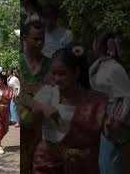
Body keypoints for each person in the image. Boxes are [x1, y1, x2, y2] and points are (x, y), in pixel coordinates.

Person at [23, 44, 108, 174]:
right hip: (47, 164)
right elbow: (33, 118)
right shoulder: (48, 94)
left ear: (76, 72)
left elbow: (111, 131)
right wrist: (42, 109)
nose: (57, 78)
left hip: (83, 166)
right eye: (54, 73)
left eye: (62, 74)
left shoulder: (96, 101)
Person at [90, 32, 130, 174]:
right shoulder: (100, 66)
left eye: (96, 42)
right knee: (104, 163)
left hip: (113, 122)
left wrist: (119, 121)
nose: (93, 45)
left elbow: (127, 96)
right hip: (103, 120)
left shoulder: (115, 68)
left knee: (111, 164)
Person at [20, 19, 51, 174]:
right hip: (21, 127)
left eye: (42, 39)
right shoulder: (17, 61)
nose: (39, 43)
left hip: (43, 128)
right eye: (35, 39)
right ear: (25, 38)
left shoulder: (50, 65)